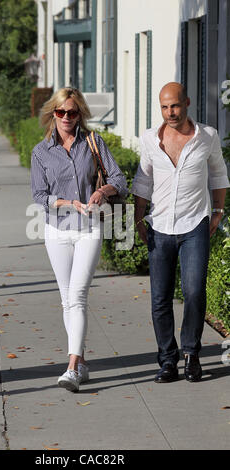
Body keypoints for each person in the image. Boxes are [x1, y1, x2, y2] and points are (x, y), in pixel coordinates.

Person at [31, 87, 128, 392]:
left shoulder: (93, 141)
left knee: (78, 297)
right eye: (61, 112)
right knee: (66, 300)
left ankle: (72, 368)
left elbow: (120, 180)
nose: (67, 118)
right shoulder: (40, 152)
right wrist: (67, 203)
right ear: (53, 113)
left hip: (90, 228)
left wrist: (102, 191)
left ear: (80, 113)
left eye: (73, 112)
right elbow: (39, 196)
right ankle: (82, 362)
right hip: (56, 230)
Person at [131, 82, 229, 383]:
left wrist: (218, 212)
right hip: (160, 226)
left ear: (186, 102)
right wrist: (137, 219)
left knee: (195, 291)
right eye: (164, 107)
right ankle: (168, 360)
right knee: (160, 299)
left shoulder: (207, 136)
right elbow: (143, 181)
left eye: (174, 105)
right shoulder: (149, 139)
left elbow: (218, 175)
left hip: (194, 225)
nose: (169, 112)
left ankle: (192, 354)